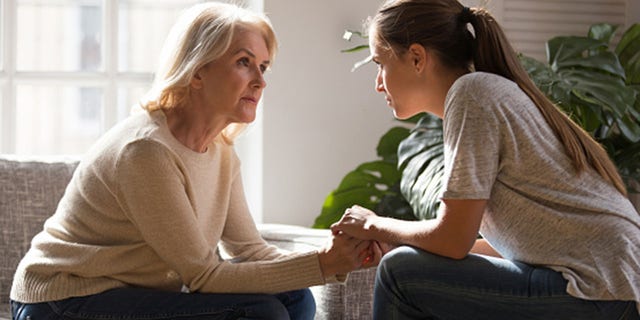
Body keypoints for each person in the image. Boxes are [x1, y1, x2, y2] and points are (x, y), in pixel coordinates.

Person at [10, 3, 375, 320]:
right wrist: (323, 264)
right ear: (197, 71)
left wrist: (335, 255)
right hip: (61, 301)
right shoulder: (146, 151)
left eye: (264, 67)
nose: (260, 81)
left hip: (133, 293)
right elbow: (203, 275)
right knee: (261, 313)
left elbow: (248, 251)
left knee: (293, 298)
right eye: (244, 62)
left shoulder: (221, 153)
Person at [331, 0, 640, 319]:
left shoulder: (472, 95)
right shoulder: (483, 93)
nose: (378, 83)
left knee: (399, 275)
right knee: (404, 263)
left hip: (597, 290)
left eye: (380, 63)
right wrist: (402, 243)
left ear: (417, 58)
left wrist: (373, 224)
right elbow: (506, 246)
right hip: (611, 288)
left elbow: (453, 240)